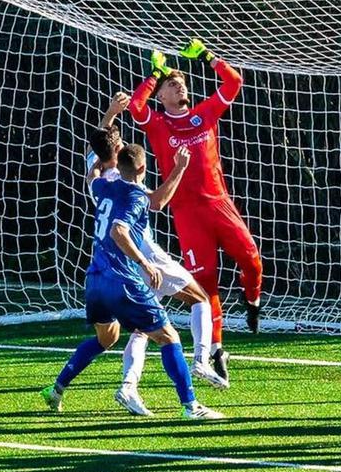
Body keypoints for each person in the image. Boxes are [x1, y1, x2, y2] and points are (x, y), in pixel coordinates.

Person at [41, 143, 223, 420]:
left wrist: (102, 156)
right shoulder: (136, 196)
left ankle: (56, 390)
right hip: (122, 279)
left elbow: (92, 176)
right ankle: (191, 406)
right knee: (168, 337)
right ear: (142, 168)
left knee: (108, 338)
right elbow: (119, 230)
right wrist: (143, 262)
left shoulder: (102, 187)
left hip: (94, 280)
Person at [128, 40, 264, 383]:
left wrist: (207, 56)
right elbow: (135, 107)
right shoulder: (158, 124)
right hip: (188, 215)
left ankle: (252, 300)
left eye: (182, 83)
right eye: (171, 85)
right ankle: (216, 349)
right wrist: (155, 73)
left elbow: (233, 82)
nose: (179, 87)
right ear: (162, 97)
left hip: (220, 204)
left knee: (252, 261)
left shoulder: (204, 114)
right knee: (206, 285)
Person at [88, 93, 227, 417]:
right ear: (136, 164)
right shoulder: (132, 188)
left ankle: (128, 385)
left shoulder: (96, 177)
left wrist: (110, 114)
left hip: (114, 263)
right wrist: (179, 168)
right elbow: (155, 202)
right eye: (119, 138)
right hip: (143, 254)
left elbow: (102, 143)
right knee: (199, 299)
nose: (120, 139)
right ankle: (200, 363)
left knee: (143, 328)